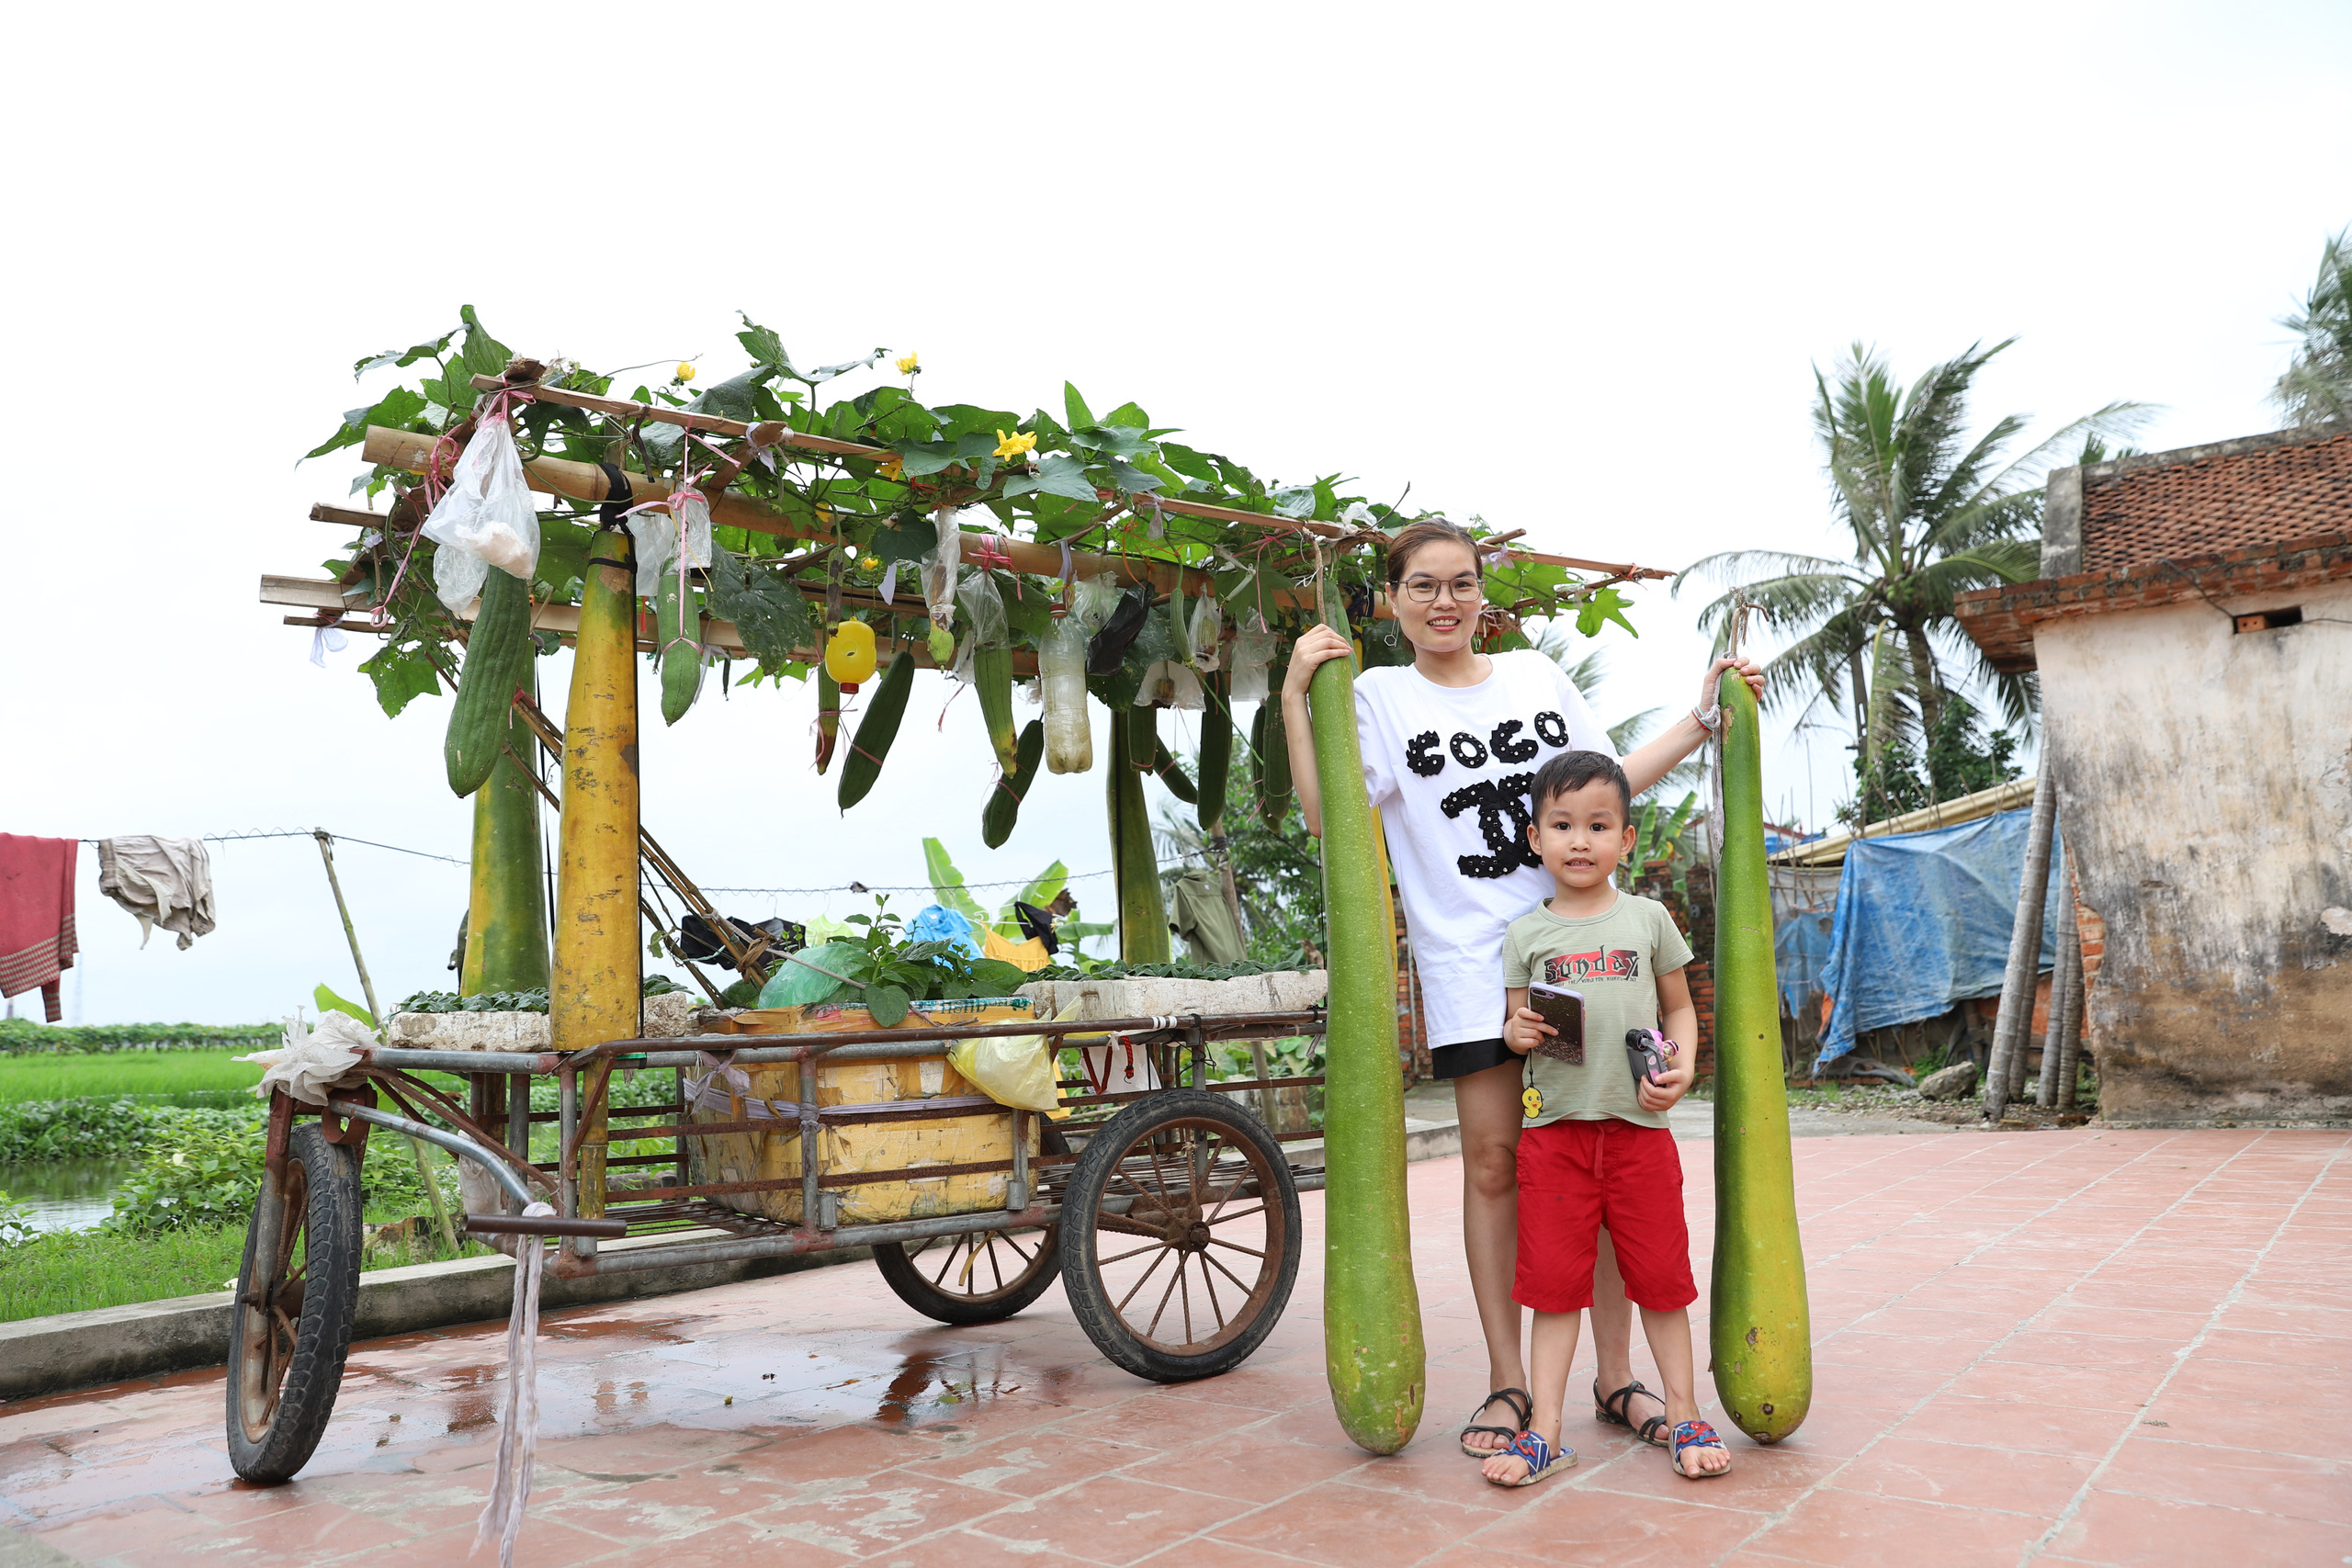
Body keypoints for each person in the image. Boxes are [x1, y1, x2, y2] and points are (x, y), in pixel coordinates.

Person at [1282, 517, 1759, 1460]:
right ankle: (1509, 1382)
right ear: (1391, 601)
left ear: (1481, 594)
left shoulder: (1537, 678)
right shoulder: (1375, 695)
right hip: (1471, 969)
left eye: (1460, 583)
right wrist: (1297, 697)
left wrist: (1701, 720)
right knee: (1497, 1168)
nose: (1444, 602)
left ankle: (1617, 1378)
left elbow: (1605, 784)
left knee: (1608, 1151)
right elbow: (1324, 814)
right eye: (1422, 585)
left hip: (1581, 955)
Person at [1478, 749, 1727, 1484]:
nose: (1579, 840)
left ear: (1625, 839)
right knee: (1553, 1289)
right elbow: (1515, 1021)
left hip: (1640, 1135)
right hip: (1553, 1139)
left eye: (1597, 824)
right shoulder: (1526, 935)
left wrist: (1680, 1065)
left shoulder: (1648, 919)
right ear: (1536, 838)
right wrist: (1516, 1030)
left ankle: (1685, 1413)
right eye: (1562, 824)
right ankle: (1545, 1431)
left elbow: (1678, 1005)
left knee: (1663, 1282)